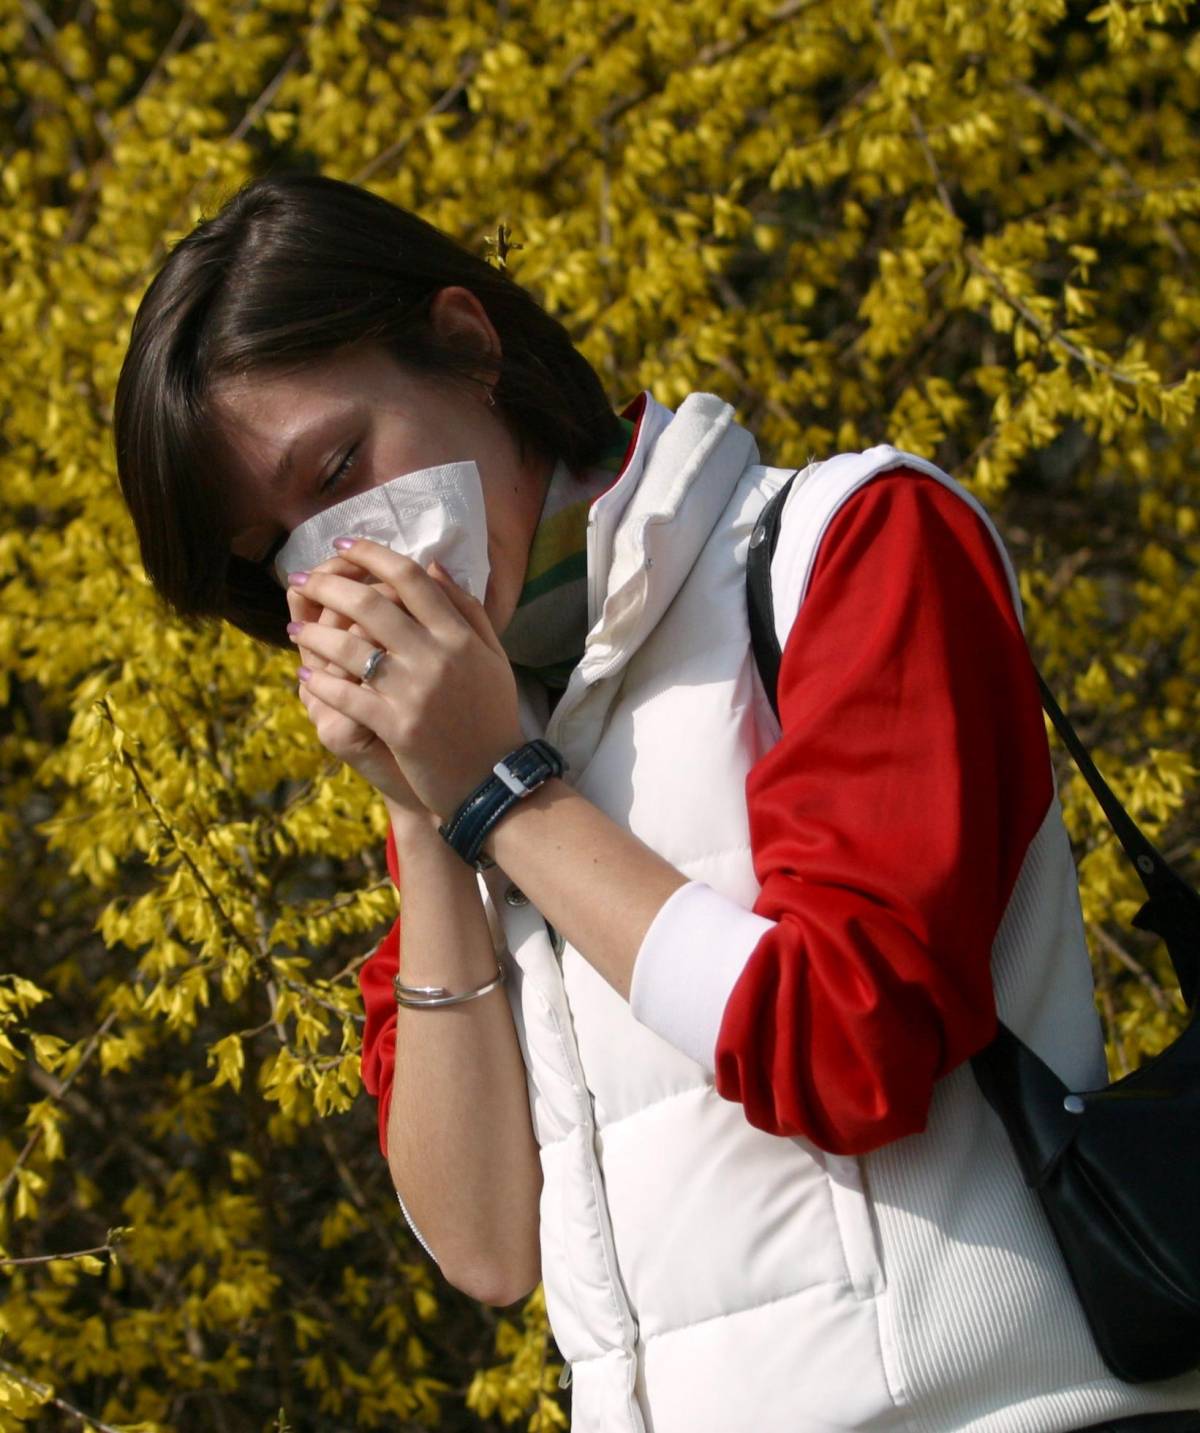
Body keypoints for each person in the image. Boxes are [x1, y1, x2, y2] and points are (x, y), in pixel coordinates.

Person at [113, 171, 1200, 1433]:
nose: (341, 561)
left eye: (342, 465)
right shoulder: (478, 728)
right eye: (276, 554)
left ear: (468, 345)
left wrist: (498, 794)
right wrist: (421, 808)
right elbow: (482, 1246)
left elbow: (852, 1049)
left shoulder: (840, 544)